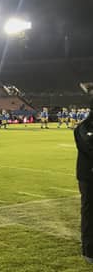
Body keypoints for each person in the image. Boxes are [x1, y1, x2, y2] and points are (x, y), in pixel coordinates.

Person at [75, 99, 93, 263]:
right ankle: (89, 251)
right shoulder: (83, 127)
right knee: (88, 212)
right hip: (88, 177)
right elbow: (88, 148)